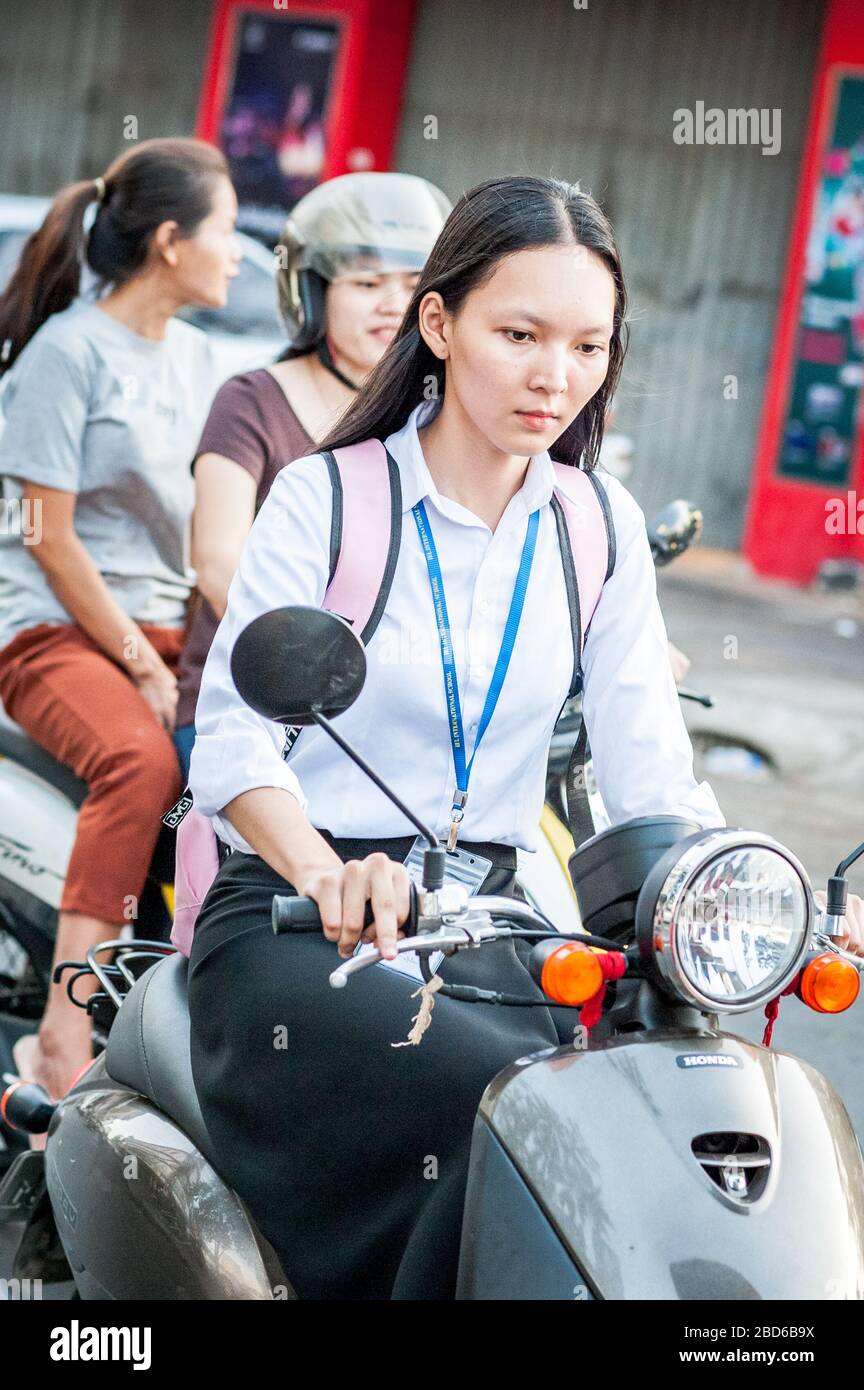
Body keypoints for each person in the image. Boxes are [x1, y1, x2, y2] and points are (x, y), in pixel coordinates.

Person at [185, 174, 863, 1302]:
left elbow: (655, 768)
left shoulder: (596, 524)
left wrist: (761, 900)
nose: (556, 375)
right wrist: (324, 869)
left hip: (500, 920)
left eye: (588, 345)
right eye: (521, 334)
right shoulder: (327, 499)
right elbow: (233, 745)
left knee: (651, 1101)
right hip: (307, 923)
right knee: (512, 1096)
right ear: (440, 325)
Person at [0, 137, 238, 1101]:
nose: (237, 254)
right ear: (172, 243)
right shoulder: (67, 355)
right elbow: (47, 535)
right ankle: (62, 1030)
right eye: (225, 233)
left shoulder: (200, 357)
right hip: (51, 631)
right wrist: (140, 658)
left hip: (166, 625)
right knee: (143, 762)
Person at [173, 172, 451, 778]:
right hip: (254, 701)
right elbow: (218, 561)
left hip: (394, 709)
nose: (391, 303)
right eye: (367, 283)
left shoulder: (439, 414)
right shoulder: (251, 400)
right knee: (193, 830)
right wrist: (316, 664)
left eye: (411, 285)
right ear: (312, 293)